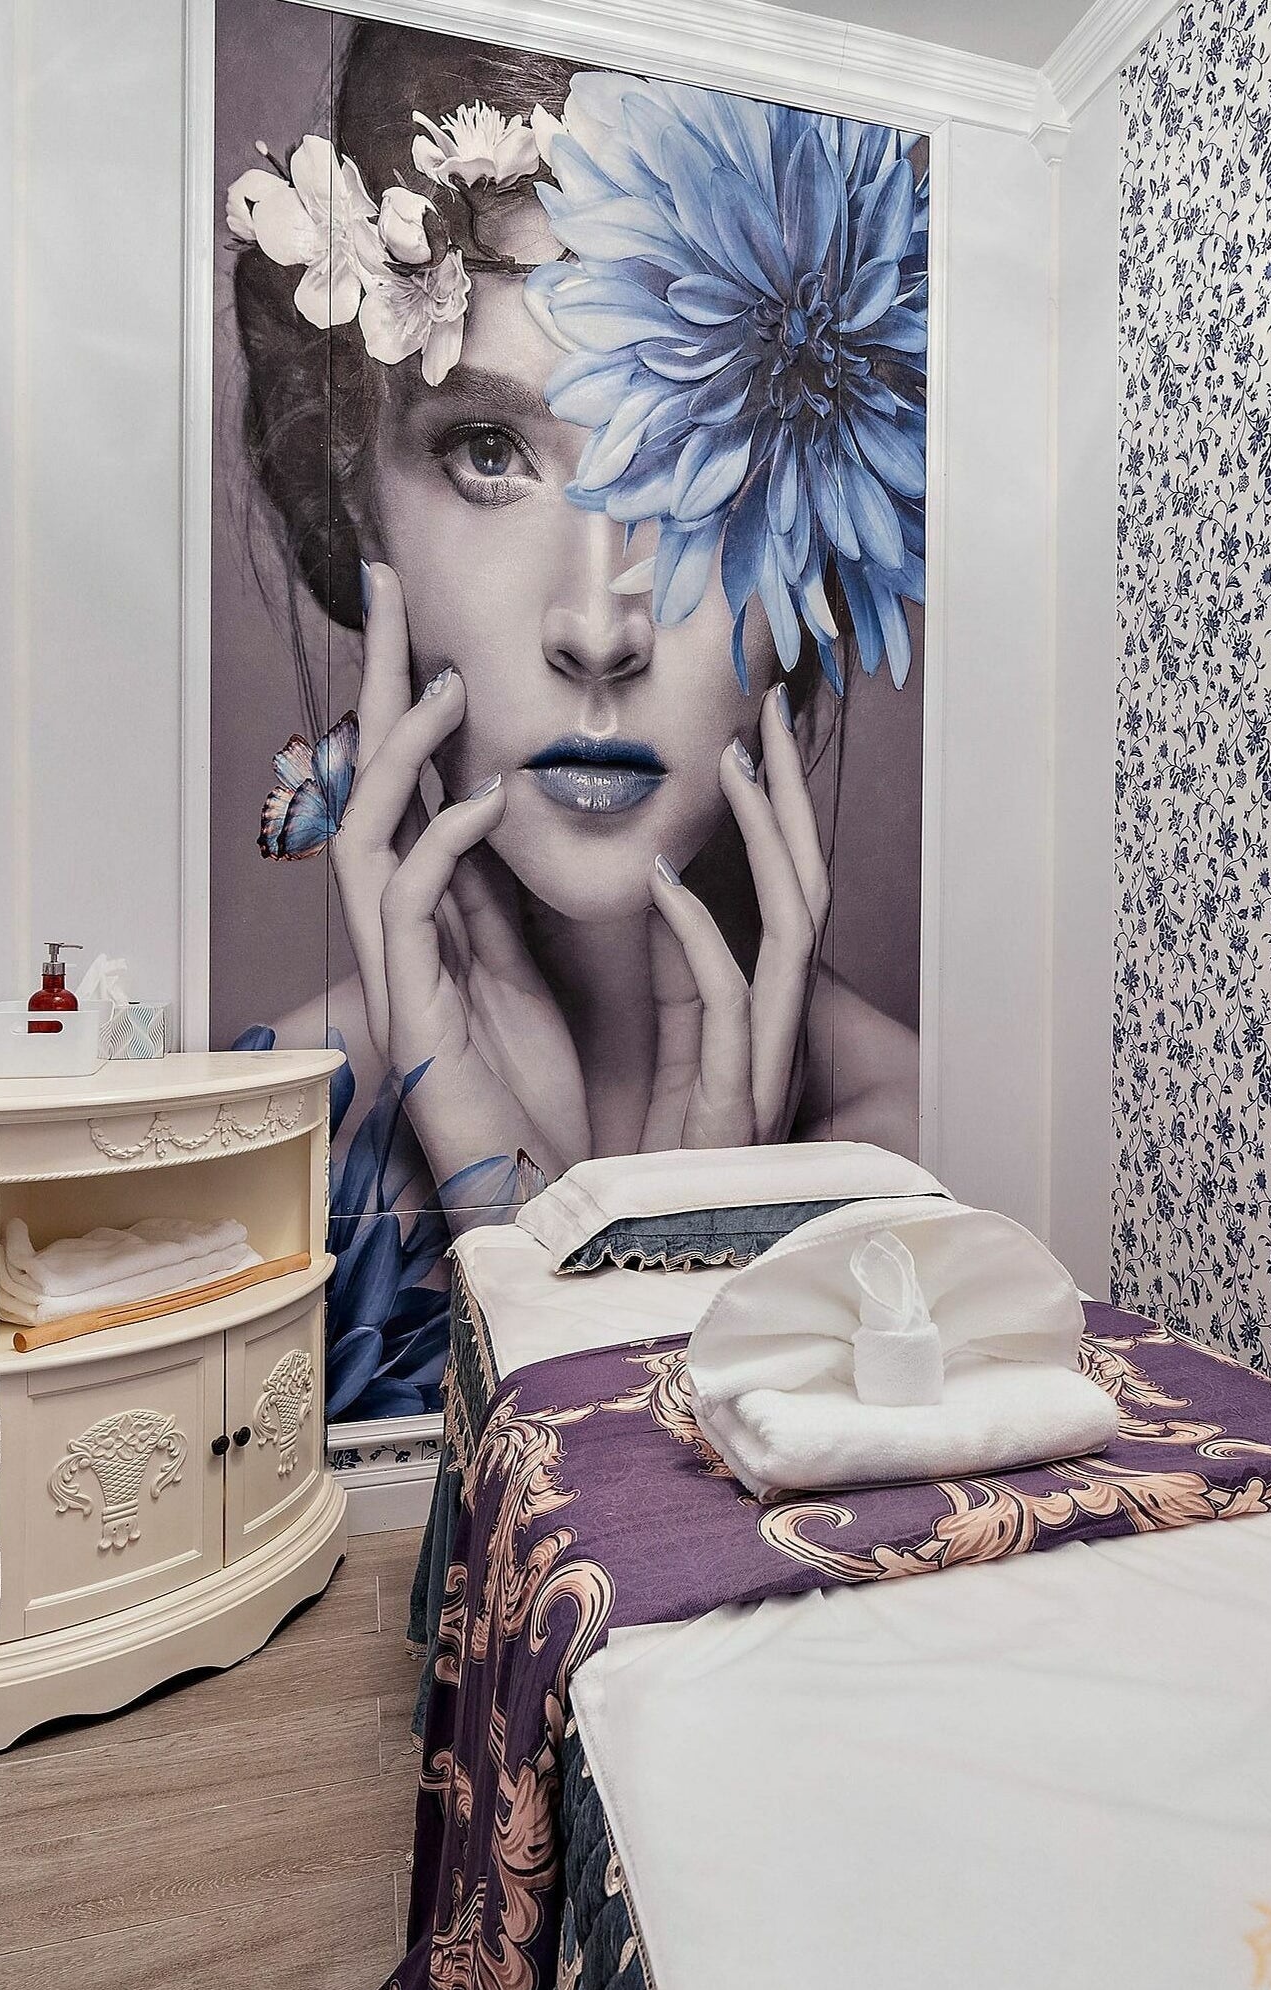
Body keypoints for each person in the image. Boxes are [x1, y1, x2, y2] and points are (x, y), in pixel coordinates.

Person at [220, 24, 926, 1420]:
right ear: (358, 502)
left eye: (694, 464)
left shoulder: (925, 1183)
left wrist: (674, 1239)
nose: (599, 626)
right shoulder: (237, 1169)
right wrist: (497, 1210)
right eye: (492, 454)